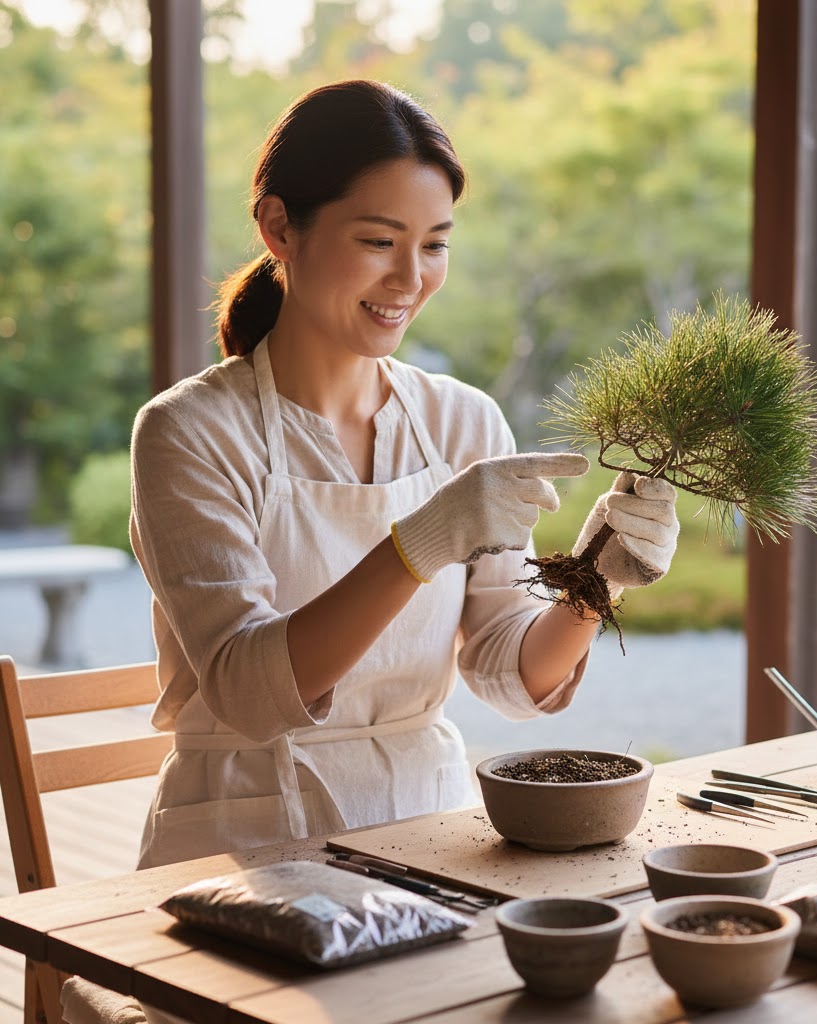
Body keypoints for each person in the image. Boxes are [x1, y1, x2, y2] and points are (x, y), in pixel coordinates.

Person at [125, 79, 681, 871]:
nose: (411, 278)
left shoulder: (463, 421)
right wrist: (419, 544)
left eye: (435, 245)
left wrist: (596, 582)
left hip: (429, 834)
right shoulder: (190, 431)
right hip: (240, 851)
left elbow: (507, 669)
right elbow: (250, 694)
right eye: (379, 241)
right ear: (279, 227)